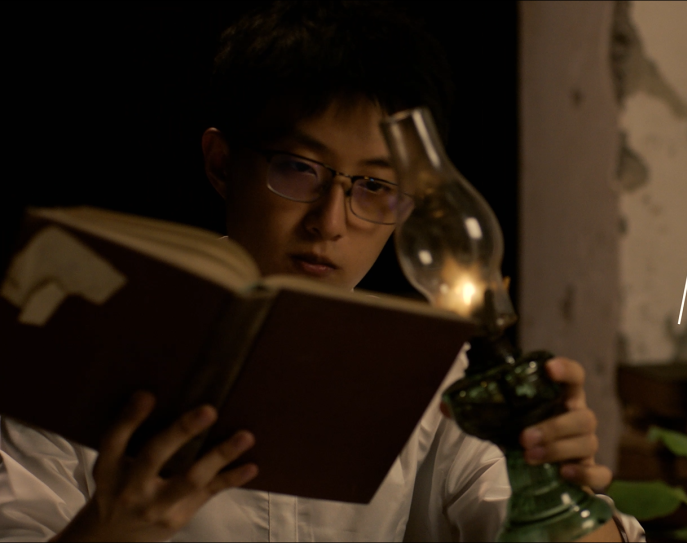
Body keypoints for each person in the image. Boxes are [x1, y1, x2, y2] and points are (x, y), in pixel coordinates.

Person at [0, 2, 644, 542]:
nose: (330, 222)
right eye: (298, 169)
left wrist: (553, 483)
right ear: (222, 163)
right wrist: (105, 533)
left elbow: (511, 517)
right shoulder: (80, 346)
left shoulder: (425, 370)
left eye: (376, 186)